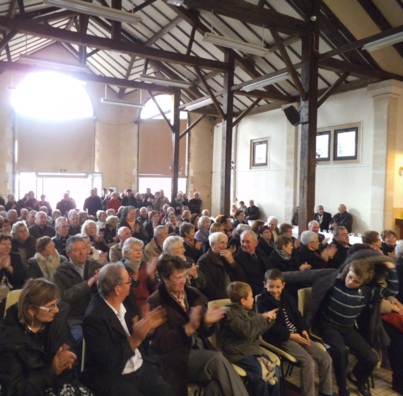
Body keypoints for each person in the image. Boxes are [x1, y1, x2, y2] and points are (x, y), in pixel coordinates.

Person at [283, 250, 399, 396]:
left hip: (348, 328)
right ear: (348, 271)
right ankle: (342, 387)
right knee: (340, 351)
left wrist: (391, 268)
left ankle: (357, 379)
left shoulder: (367, 292)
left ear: (364, 282)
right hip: (328, 325)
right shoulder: (334, 278)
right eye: (350, 277)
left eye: (356, 281)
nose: (350, 282)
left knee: (371, 358)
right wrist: (277, 276)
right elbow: (302, 276)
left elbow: (393, 290)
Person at [148, 253, 249, 396]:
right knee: (217, 359)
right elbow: (162, 343)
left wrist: (206, 323)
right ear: (165, 279)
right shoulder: (156, 302)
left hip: (200, 349)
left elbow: (204, 330)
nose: (183, 281)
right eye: (178, 278)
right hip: (176, 358)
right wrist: (187, 329)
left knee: (217, 385)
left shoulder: (192, 293)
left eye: (184, 275)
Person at [81, 262, 174, 396]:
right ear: (117, 289)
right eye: (128, 280)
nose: (131, 283)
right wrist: (134, 340)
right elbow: (108, 362)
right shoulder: (94, 318)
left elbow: (138, 332)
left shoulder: (126, 300)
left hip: (139, 366)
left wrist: (148, 328)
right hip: (115, 376)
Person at [0, 278, 92, 396]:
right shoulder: (8, 336)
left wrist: (68, 360)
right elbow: (16, 389)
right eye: (50, 306)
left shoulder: (56, 321)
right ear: (31, 310)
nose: (56, 309)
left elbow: (70, 353)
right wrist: (52, 370)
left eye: (56, 303)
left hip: (61, 384)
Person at [257, 269, 334, 396]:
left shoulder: (287, 296)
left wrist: (303, 329)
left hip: (297, 334)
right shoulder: (262, 301)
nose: (274, 290)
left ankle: (326, 392)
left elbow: (298, 316)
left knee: (326, 358)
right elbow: (270, 328)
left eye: (277, 287)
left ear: (283, 285)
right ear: (264, 284)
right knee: (307, 361)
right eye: (271, 286)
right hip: (281, 338)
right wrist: (291, 336)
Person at [219, 281, 280, 396]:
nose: (253, 299)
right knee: (261, 372)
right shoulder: (229, 313)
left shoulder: (247, 312)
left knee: (274, 369)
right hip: (236, 351)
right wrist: (262, 317)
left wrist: (268, 320)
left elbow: (256, 331)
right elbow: (246, 331)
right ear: (243, 301)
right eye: (251, 297)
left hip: (250, 349)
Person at [53, 235, 103, 342]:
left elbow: (107, 292)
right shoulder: (60, 272)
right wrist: (87, 284)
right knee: (78, 339)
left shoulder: (96, 266)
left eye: (84, 249)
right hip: (73, 317)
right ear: (68, 253)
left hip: (95, 314)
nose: (82, 253)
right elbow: (63, 297)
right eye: (77, 250)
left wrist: (100, 283)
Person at [197, 232, 246, 301]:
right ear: (212, 244)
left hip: (233, 295)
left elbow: (241, 278)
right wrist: (227, 297)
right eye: (222, 243)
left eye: (226, 243)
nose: (225, 246)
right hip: (218, 299)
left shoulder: (226, 256)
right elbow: (208, 288)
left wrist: (232, 262)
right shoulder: (203, 261)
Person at [121, 237, 159, 314]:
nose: (139, 253)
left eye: (141, 250)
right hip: (131, 308)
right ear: (126, 253)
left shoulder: (146, 266)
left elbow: (156, 291)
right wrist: (134, 281)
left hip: (150, 304)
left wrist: (152, 276)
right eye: (135, 250)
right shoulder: (120, 269)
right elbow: (125, 297)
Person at [234, 230, 271, 296]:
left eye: (248, 242)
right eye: (243, 241)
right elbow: (243, 280)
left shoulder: (261, 253)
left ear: (256, 243)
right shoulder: (237, 258)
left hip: (268, 285)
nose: (245, 244)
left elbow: (269, 268)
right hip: (254, 291)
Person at [0, 233, 26, 316]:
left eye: (9, 244)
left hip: (14, 288)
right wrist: (1, 267)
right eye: (4, 244)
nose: (8, 247)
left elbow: (22, 276)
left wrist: (10, 269)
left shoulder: (15, 256)